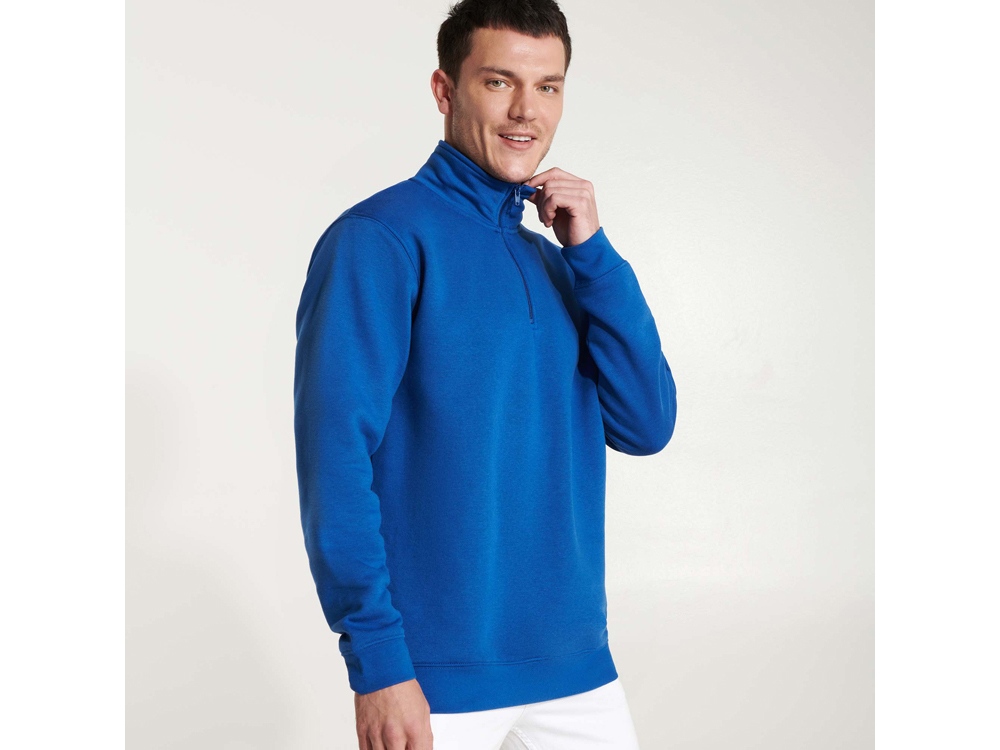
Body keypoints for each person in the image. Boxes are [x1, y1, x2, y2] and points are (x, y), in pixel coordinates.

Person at [292, 0, 677, 747]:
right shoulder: (380, 240)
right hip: (432, 678)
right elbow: (336, 461)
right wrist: (377, 663)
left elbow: (646, 424)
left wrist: (593, 254)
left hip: (577, 669)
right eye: (499, 82)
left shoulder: (560, 262)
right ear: (445, 90)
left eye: (548, 86)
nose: (526, 111)